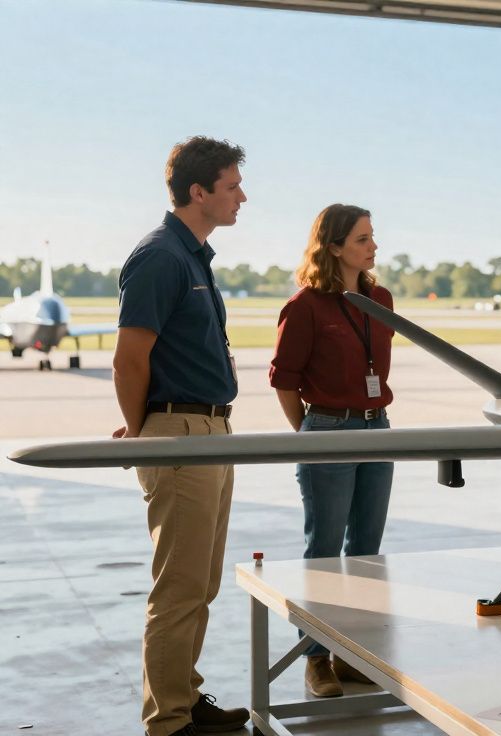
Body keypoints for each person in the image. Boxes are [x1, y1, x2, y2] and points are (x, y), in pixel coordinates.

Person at [114, 136, 250, 736]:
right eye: (231, 186)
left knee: (202, 583)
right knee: (179, 588)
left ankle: (185, 698)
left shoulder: (194, 256)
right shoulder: (162, 257)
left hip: (210, 430)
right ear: (198, 192)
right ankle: (168, 723)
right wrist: (145, 429)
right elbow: (129, 358)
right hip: (181, 433)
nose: (241, 197)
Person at [270, 204, 396, 697]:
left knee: (366, 550)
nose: (373, 246)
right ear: (335, 246)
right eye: (363, 239)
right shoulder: (305, 306)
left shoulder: (380, 298)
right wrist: (313, 434)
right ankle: (315, 657)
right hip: (328, 430)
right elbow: (284, 380)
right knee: (323, 550)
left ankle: (350, 652)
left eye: (373, 236)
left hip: (379, 429)